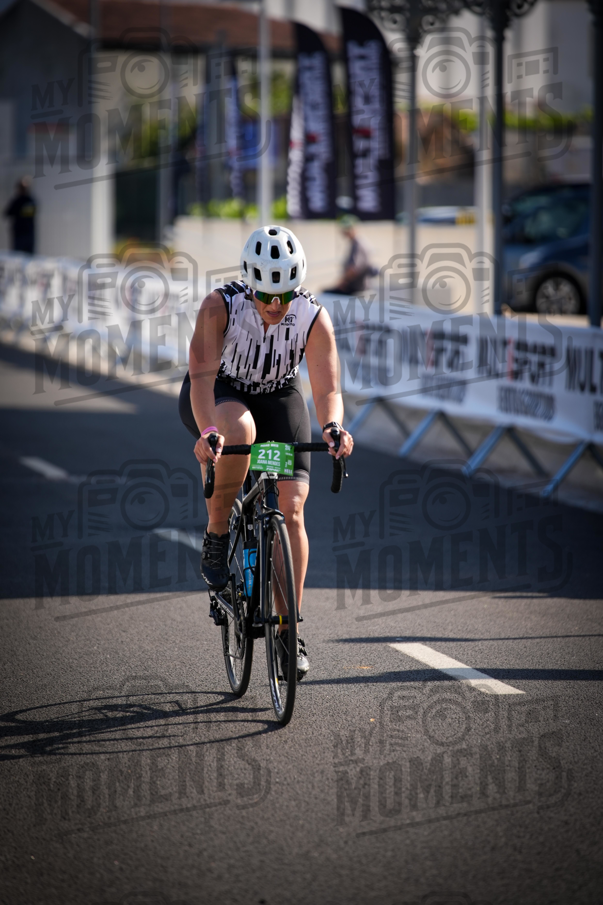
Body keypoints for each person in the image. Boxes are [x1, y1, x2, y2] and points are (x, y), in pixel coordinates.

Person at [179, 225, 354, 678]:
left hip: (278, 396)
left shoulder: (312, 317)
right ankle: (218, 534)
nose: (276, 306)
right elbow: (200, 378)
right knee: (241, 429)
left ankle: (287, 631)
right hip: (221, 391)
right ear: (251, 284)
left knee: (292, 509)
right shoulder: (221, 306)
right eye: (266, 295)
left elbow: (327, 387)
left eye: (285, 295)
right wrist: (209, 431)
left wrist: (334, 426)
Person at [322, 214, 375, 296]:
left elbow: (353, 269)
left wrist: (342, 282)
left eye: (346, 229)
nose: (344, 232)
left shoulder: (358, 243)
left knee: (325, 294)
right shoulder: (356, 242)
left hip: (356, 287)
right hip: (355, 286)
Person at [3, 178, 36, 254]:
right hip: (19, 234)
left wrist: (19, 211)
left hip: (27, 234)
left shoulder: (29, 201)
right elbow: (7, 213)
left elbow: (29, 215)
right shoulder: (17, 201)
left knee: (28, 257)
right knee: (17, 257)